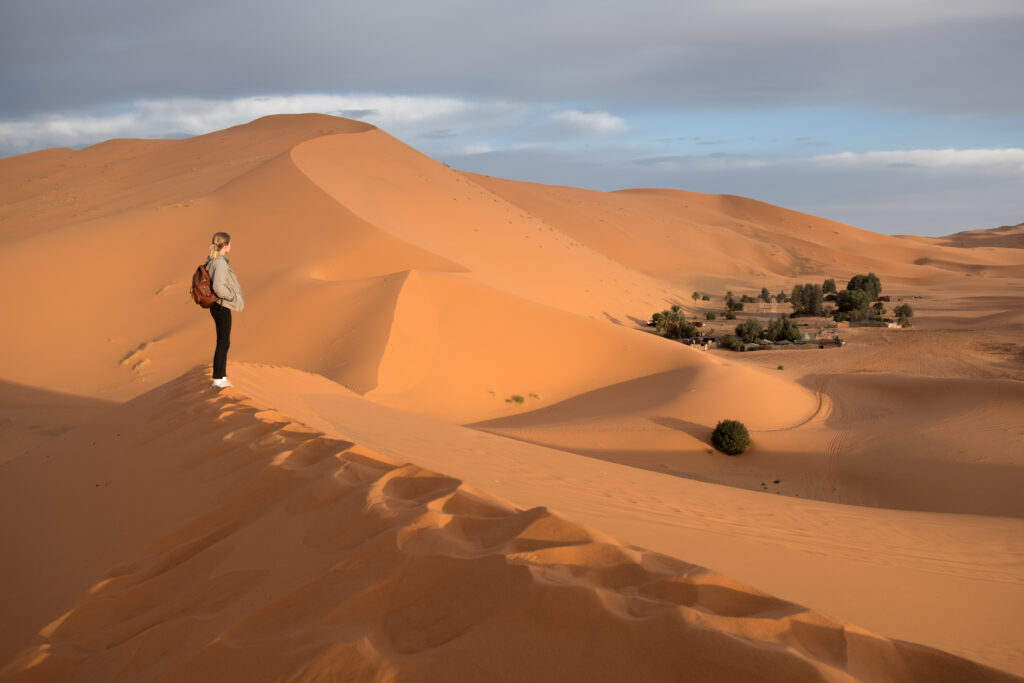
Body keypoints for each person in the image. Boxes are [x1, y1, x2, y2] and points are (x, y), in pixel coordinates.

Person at [205, 232, 244, 388]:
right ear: (226, 245)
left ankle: (221, 377)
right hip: (222, 305)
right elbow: (218, 287)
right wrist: (232, 296)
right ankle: (218, 379)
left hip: (218, 306)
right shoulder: (219, 263)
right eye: (230, 243)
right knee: (223, 342)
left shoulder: (213, 260)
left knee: (223, 342)